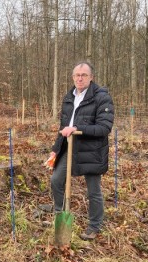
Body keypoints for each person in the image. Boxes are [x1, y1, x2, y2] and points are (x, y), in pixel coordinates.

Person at [49, 61, 114, 240]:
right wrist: (55, 150)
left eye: (84, 75)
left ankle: (94, 226)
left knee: (93, 190)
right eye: (77, 75)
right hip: (70, 148)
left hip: (92, 151)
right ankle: (60, 216)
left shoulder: (102, 97)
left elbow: (104, 128)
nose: (80, 78)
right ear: (72, 77)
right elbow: (64, 127)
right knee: (56, 180)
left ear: (91, 77)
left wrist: (77, 128)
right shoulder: (69, 97)